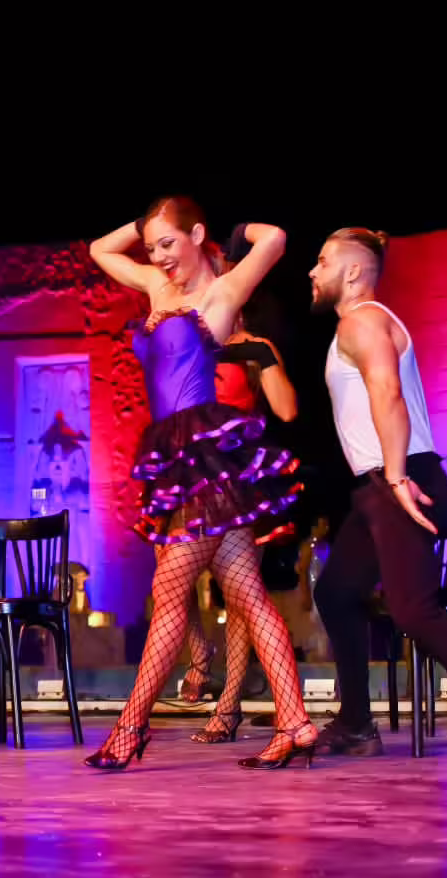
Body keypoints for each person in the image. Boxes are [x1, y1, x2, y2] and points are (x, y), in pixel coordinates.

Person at [84, 196, 316, 771]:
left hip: (206, 457)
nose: (159, 256)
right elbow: (98, 250)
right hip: (179, 456)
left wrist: (237, 232)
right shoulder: (156, 289)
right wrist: (143, 225)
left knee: (169, 592)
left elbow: (277, 237)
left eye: (169, 243)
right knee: (247, 595)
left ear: (196, 234)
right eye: (152, 246)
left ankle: (130, 729)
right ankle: (296, 722)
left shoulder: (222, 293)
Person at [308, 227, 447, 757]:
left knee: (414, 611)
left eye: (321, 261)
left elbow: (387, 392)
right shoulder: (364, 322)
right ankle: (358, 724)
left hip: (398, 477)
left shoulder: (363, 320)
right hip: (379, 484)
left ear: (353, 272)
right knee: (336, 593)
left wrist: (395, 478)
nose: (312, 272)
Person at [182, 319, 305, 744]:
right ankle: (200, 657)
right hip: (191, 470)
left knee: (239, 594)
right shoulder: (187, 339)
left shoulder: (252, 345)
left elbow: (287, 409)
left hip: (237, 474)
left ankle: (228, 704)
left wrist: (263, 356)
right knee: (167, 578)